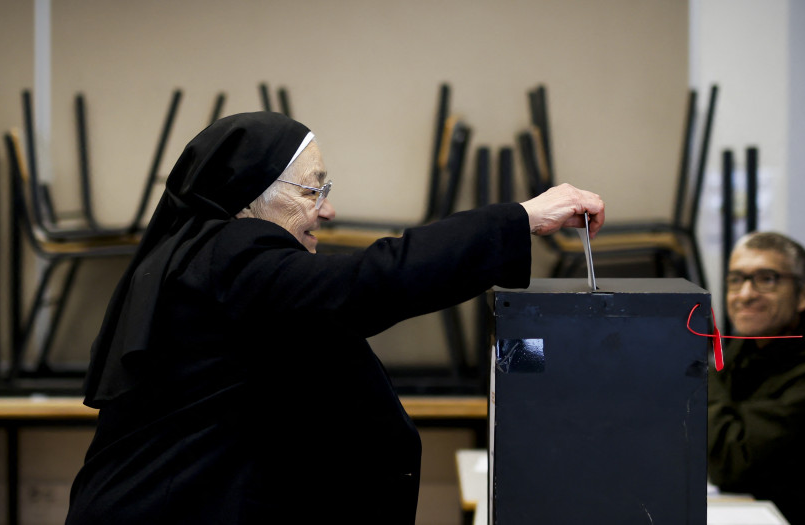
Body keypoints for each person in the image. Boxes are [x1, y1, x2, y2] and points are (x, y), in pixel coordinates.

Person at [64, 112, 605, 524]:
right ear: (248, 201)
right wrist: (521, 219)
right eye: (311, 189)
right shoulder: (230, 254)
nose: (326, 209)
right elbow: (370, 283)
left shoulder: (205, 262)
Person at [707, 231, 805, 524]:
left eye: (766, 279)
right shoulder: (753, 340)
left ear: (804, 294)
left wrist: (701, 370)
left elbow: (731, 458)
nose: (745, 294)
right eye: (736, 279)